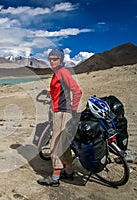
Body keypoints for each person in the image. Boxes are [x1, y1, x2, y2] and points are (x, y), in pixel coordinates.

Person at [37, 48, 82, 187]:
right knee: (64, 144)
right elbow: (60, 90)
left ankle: (55, 178)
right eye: (50, 59)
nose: (51, 61)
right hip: (60, 111)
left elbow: (77, 91)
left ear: (61, 59)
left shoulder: (63, 72)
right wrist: (50, 92)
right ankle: (68, 171)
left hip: (63, 113)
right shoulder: (57, 73)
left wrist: (73, 110)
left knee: (55, 146)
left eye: (55, 59)